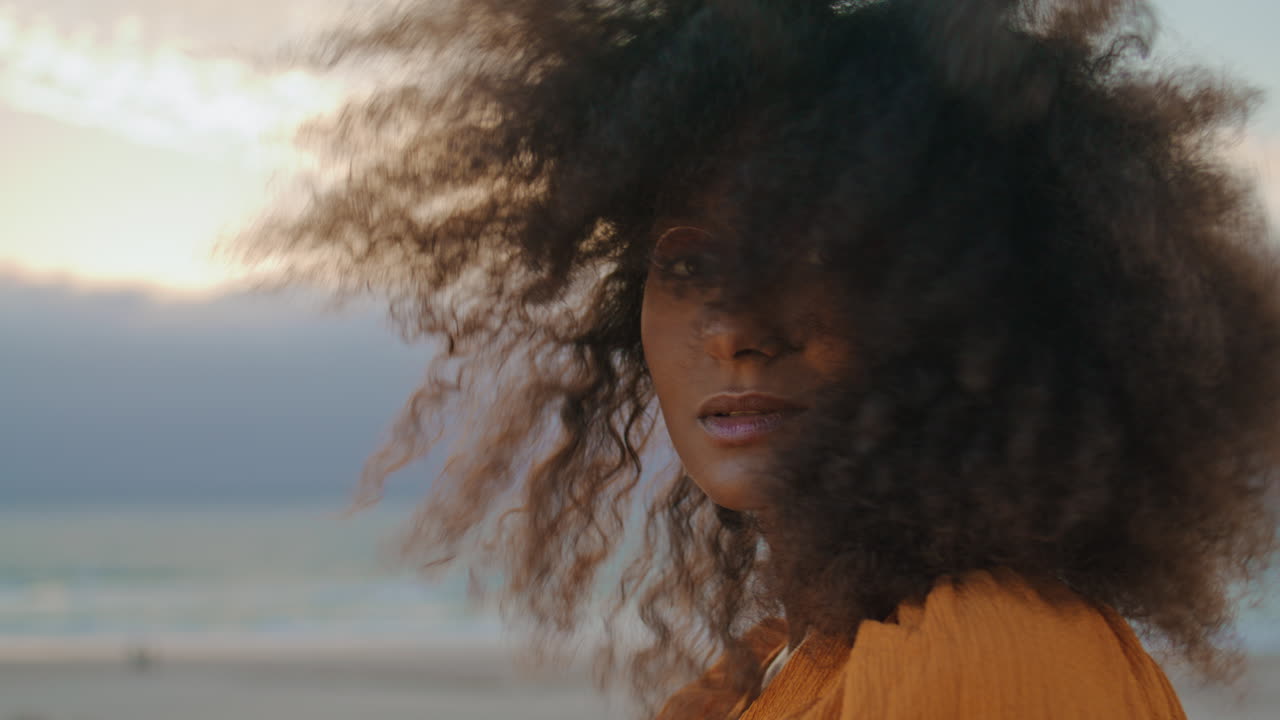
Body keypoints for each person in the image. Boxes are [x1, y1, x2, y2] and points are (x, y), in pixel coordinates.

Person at [240, 1, 1280, 717]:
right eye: (688, 264)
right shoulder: (784, 663)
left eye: (820, 254)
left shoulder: (982, 656)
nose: (737, 327)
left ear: (980, 315)